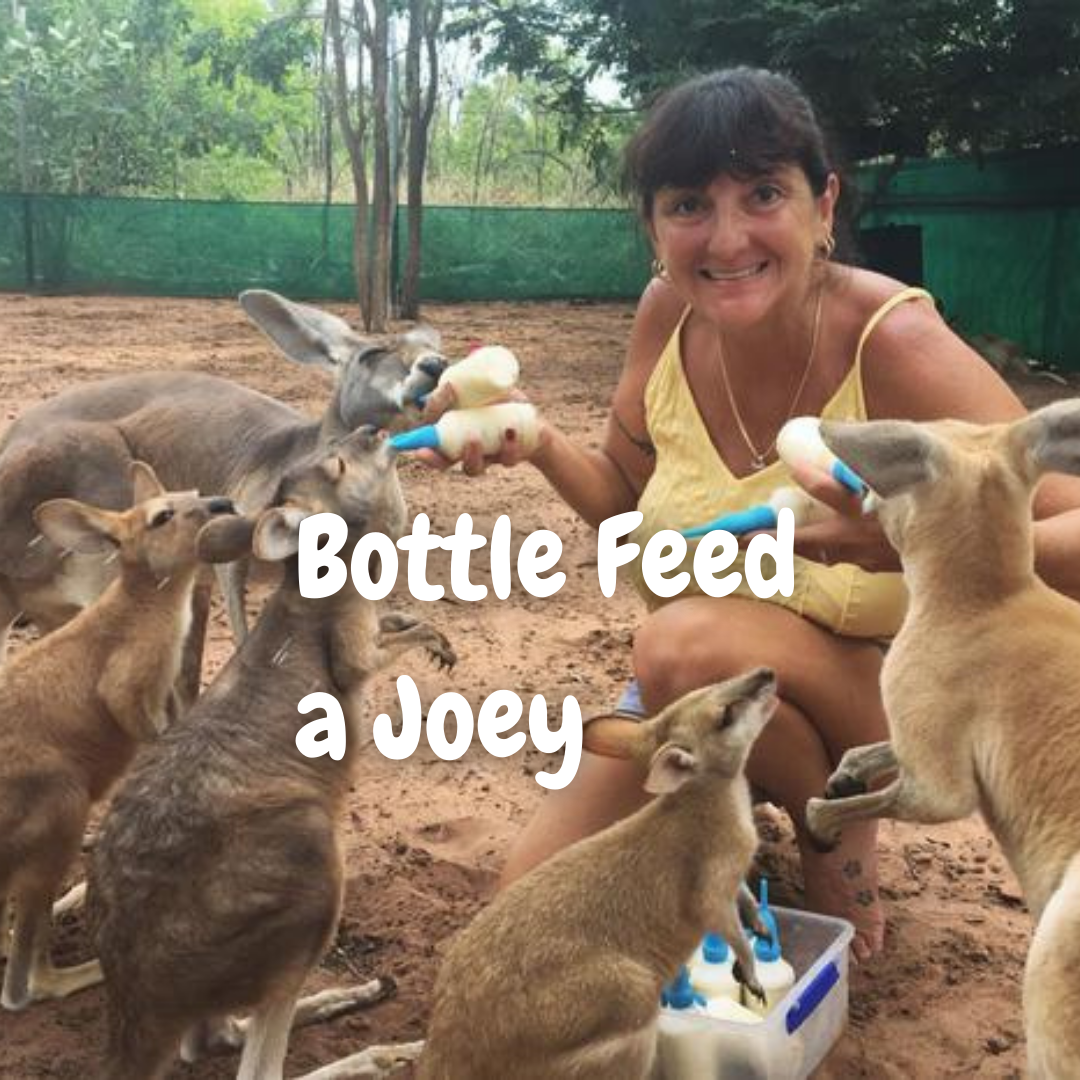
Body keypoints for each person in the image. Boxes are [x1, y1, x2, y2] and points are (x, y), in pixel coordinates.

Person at [419, 67, 1080, 960]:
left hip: (889, 701)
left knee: (683, 642)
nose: (726, 238)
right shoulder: (668, 314)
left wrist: (900, 546)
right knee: (522, 920)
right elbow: (620, 488)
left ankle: (834, 847)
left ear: (823, 204)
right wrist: (533, 441)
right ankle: (759, 793)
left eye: (763, 193)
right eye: (690, 203)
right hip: (690, 698)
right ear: (653, 227)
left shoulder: (893, 343)